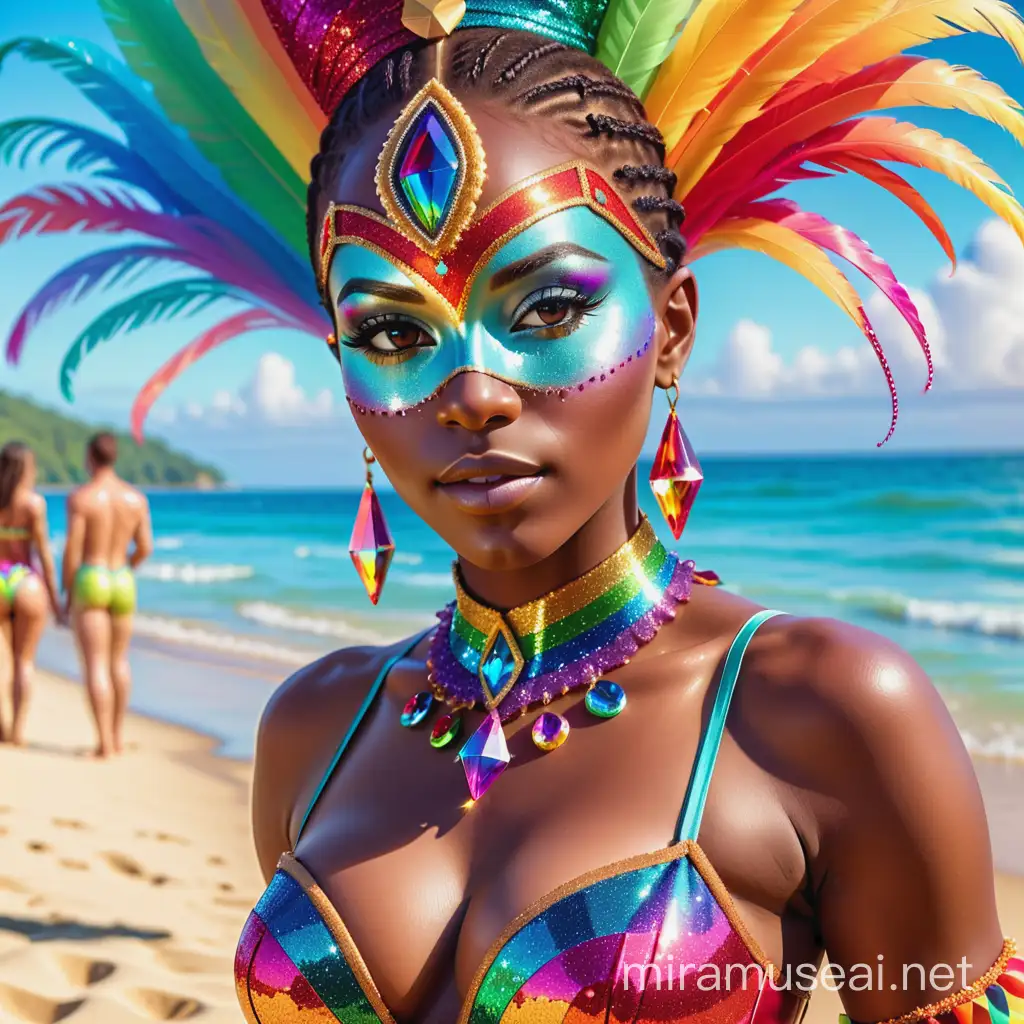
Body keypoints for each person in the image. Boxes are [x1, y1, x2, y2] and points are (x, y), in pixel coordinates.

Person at [15, 1, 1024, 1021]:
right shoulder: (312, 724)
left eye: (547, 308)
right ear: (341, 370)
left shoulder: (823, 714)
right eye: (394, 333)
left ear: (671, 327)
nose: (471, 392)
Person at [62, 432, 153, 759]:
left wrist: (67, 592)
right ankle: (116, 736)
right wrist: (128, 565)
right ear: (113, 457)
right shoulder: (136, 499)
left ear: (90, 457)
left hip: (93, 575)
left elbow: (73, 548)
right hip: (122, 578)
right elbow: (145, 547)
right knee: (119, 661)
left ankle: (103, 743)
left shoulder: (82, 498)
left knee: (96, 665)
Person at [0, 442, 63, 745]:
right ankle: (17, 730)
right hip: (25, 579)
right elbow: (44, 556)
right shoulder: (34, 504)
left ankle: (0, 724)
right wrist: (56, 602)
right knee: (23, 660)